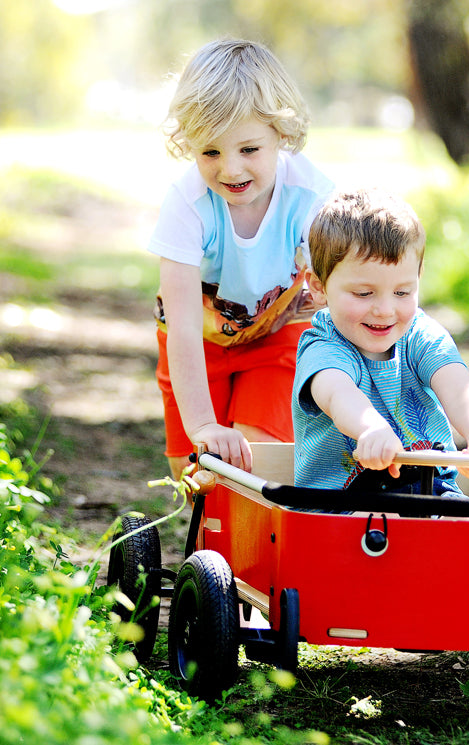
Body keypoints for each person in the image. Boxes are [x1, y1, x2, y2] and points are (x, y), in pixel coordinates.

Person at [148, 38, 334, 478]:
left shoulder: (310, 197)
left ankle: (256, 546)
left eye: (248, 149)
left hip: (277, 333)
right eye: (210, 151)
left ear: (281, 135)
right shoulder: (187, 204)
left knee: (255, 459)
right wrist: (202, 425)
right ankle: (208, 542)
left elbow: (343, 295)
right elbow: (185, 328)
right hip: (198, 340)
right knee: (198, 473)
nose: (230, 170)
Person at [292, 187, 469, 493]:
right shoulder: (325, 345)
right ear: (318, 287)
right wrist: (371, 428)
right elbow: (338, 395)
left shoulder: (420, 335)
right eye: (364, 293)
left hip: (431, 489)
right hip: (341, 505)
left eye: (402, 292)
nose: (385, 310)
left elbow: (461, 389)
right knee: (385, 529)